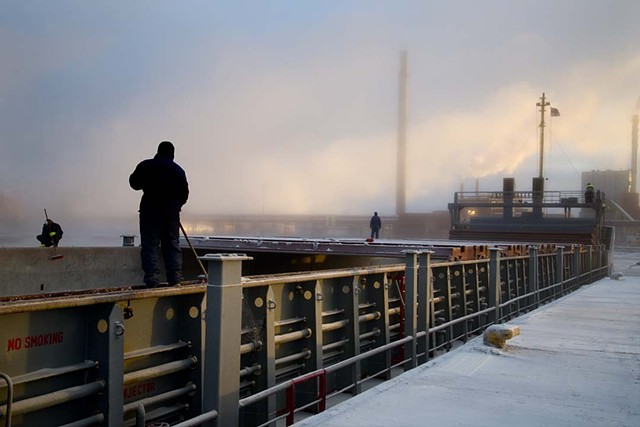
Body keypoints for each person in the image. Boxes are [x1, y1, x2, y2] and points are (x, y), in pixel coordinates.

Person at [130, 141, 189, 287]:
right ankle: (175, 278)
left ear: (158, 151)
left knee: (150, 245)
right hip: (171, 214)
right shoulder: (178, 170)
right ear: (172, 154)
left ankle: (152, 279)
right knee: (172, 245)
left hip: (149, 211)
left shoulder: (146, 165)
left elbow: (134, 183)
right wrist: (176, 206)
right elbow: (184, 194)